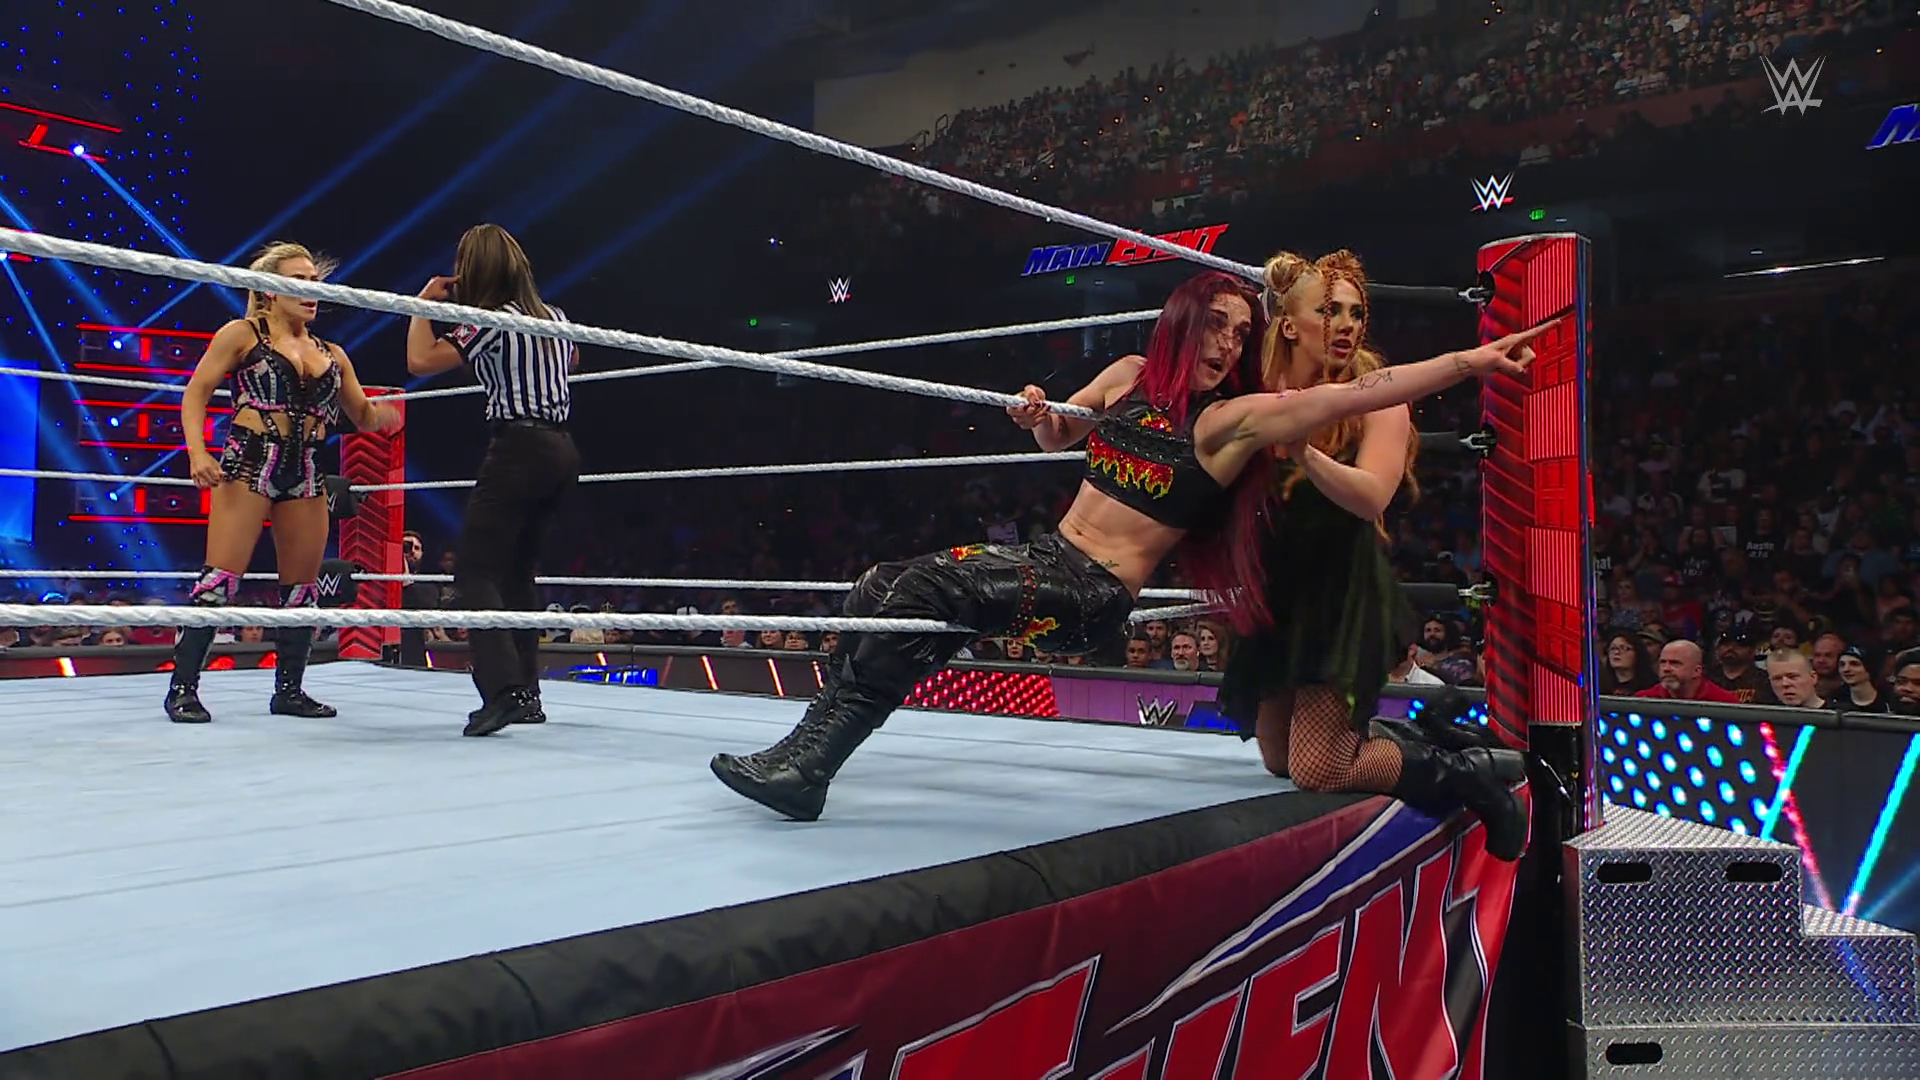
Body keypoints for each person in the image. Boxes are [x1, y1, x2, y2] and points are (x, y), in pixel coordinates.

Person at [710, 269, 1546, 837]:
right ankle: (801, 756)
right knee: (879, 589)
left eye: (1242, 333)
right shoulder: (1127, 375)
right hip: (1048, 555)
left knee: (912, 593)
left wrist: (1468, 361)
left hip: (1093, 590)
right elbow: (1054, 438)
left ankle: (808, 768)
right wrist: (1038, 412)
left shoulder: (1229, 422)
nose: (1229, 345)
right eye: (1216, 326)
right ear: (1181, 323)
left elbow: (1360, 390)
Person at [1211, 249, 1525, 861]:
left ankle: (1469, 776)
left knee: (1320, 768)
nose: (1348, 324)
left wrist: (1304, 453)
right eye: (1332, 310)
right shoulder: (1262, 389)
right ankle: (1419, 737)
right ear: (1290, 322)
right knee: (1279, 759)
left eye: (1357, 312)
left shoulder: (1379, 396)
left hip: (1340, 586)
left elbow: (1372, 496)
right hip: (1277, 581)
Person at [167, 242, 399, 724]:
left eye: (315, 281)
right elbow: (196, 393)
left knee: (302, 589)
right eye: (299, 280)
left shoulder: (332, 353)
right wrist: (197, 452)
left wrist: (385, 416)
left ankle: (289, 691)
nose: (311, 290)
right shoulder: (242, 334)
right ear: (270, 290)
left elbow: (360, 414)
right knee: (218, 582)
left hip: (307, 469)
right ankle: (182, 689)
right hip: (250, 463)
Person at [406, 223, 581, 736]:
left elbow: (419, 361)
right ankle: (527, 693)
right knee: (517, 573)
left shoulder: (490, 321)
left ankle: (504, 692)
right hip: (561, 448)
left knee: (474, 572)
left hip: (519, 448)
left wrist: (422, 304)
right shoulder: (556, 317)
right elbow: (571, 359)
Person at [1633, 639, 1741, 703]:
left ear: (1697, 671)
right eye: (1663, 662)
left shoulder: (1724, 702)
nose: (1666, 669)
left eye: (1675, 663)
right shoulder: (1644, 699)